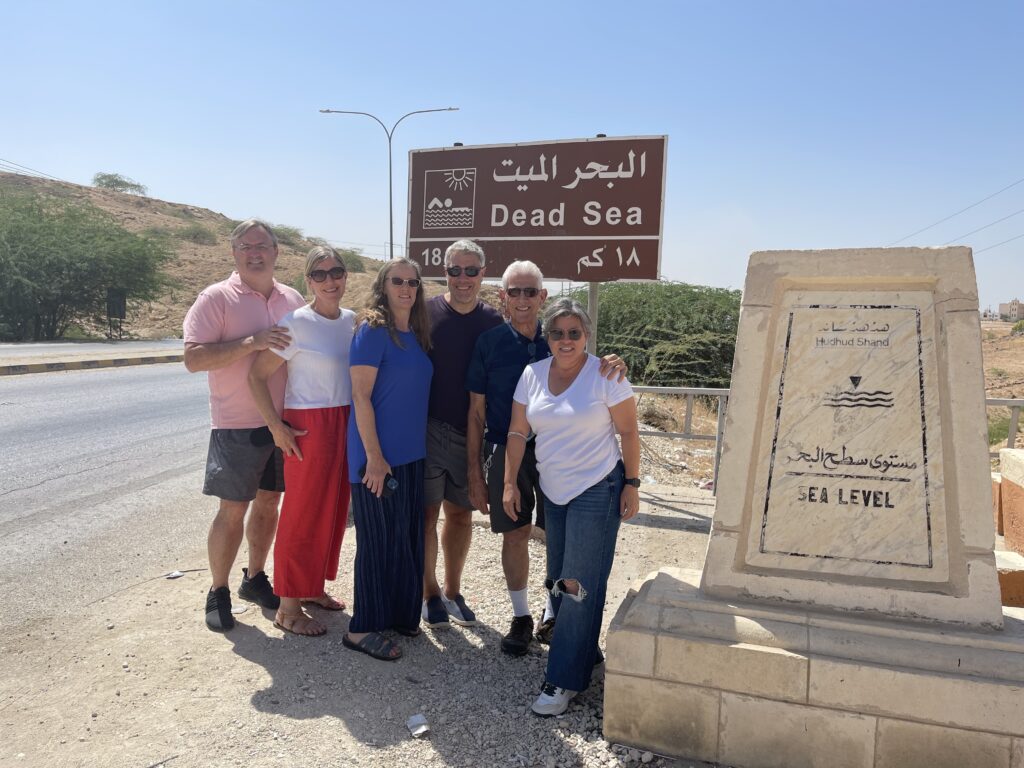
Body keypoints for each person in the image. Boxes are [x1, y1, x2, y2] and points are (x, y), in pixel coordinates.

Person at [467, 261, 629, 656]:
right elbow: (475, 411)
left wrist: (617, 361)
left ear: (543, 296)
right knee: (516, 531)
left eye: (530, 291)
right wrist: (475, 471)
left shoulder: (557, 333)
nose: (522, 299)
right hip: (509, 448)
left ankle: (553, 613)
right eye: (514, 291)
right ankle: (521, 617)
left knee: (557, 535)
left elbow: (598, 372)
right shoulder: (489, 342)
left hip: (561, 449)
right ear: (503, 296)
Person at [503, 298, 641, 717]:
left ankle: (562, 679)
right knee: (559, 580)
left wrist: (632, 483)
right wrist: (509, 481)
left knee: (579, 585)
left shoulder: (606, 376)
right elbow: (516, 430)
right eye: (557, 333)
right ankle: (587, 658)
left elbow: (630, 432)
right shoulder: (533, 374)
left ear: (586, 336)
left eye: (574, 333)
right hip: (554, 491)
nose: (566, 340)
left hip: (598, 488)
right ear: (547, 338)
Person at [183, 219, 306, 632]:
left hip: (285, 423)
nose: (255, 252)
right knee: (232, 510)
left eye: (262, 245)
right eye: (245, 246)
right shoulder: (216, 297)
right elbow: (194, 358)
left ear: (276, 251)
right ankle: (217, 590)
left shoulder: (292, 297)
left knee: (270, 503)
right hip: (236, 425)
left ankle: (254, 578)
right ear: (234, 253)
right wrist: (250, 343)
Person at [248, 246, 355, 636]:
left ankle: (312, 588)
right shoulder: (295, 323)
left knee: (332, 511)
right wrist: (276, 427)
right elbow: (257, 377)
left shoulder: (352, 322)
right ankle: (288, 607)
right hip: (309, 425)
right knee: (301, 513)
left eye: (336, 272)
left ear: (346, 276)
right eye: (320, 274)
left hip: (345, 420)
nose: (330, 280)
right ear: (308, 281)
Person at [344, 258, 433, 661]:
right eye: (397, 281)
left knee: (404, 539)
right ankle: (362, 628)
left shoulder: (414, 333)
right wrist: (375, 458)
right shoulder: (372, 331)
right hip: (377, 459)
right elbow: (361, 396)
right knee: (377, 543)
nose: (406, 288)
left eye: (412, 282)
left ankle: (397, 615)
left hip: (411, 458)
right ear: (384, 285)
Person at [421, 239, 502, 629]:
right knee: (426, 516)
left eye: (472, 270)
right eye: (456, 270)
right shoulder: (424, 313)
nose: (463, 278)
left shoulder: (493, 321)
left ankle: (454, 591)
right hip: (426, 429)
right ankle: (430, 593)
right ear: (445, 272)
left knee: (461, 516)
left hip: (471, 433)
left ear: (483, 274)